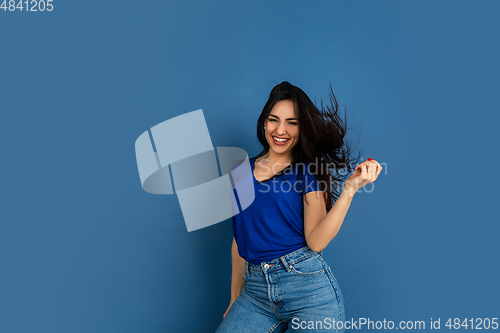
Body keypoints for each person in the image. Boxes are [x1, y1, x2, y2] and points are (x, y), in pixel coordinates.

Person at [215, 81, 382, 333]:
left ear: (301, 128)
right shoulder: (240, 172)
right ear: (264, 122)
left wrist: (350, 189)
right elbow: (240, 242)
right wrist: (234, 296)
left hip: (307, 289)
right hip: (256, 291)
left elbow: (315, 242)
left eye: (292, 122)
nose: (280, 130)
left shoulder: (308, 172)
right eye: (274, 119)